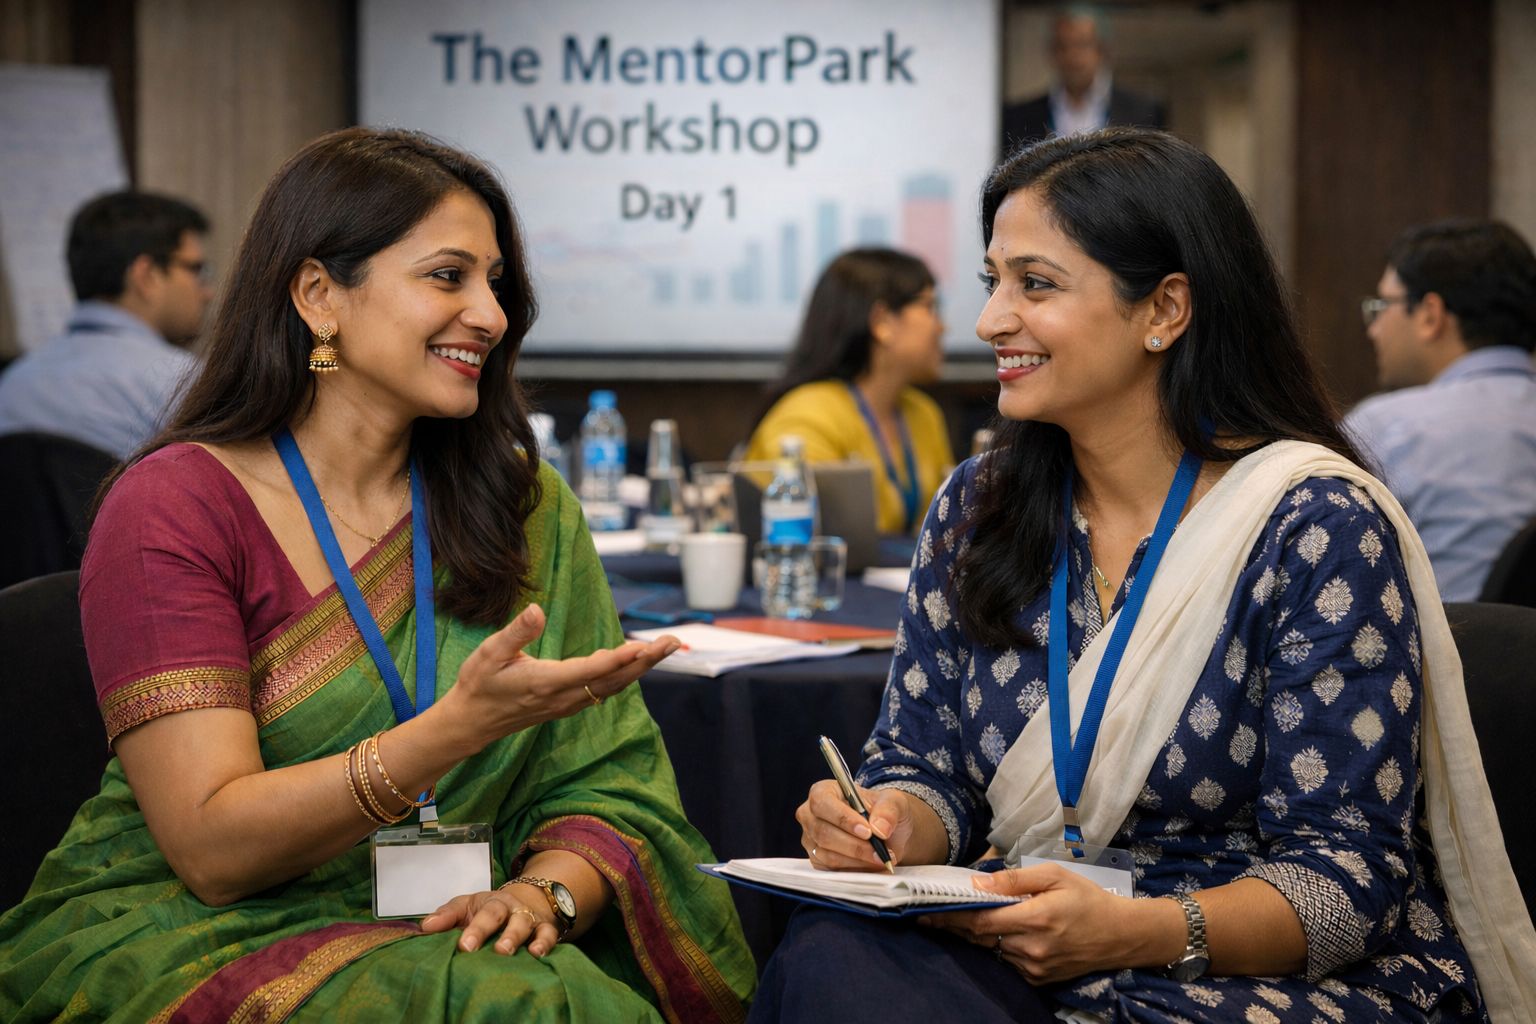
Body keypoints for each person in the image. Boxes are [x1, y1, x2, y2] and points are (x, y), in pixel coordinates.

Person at [753, 129, 1536, 1023]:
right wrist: (888, 822)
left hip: (1240, 972)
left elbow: (1343, 885)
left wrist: (1136, 931)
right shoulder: (980, 507)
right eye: (992, 281)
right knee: (831, 956)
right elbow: (925, 768)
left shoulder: (1314, 527)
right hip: (1020, 933)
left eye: (1035, 284)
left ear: (1165, 308)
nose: (990, 321)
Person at [0, 128, 754, 1022]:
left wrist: (541, 896)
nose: (491, 315)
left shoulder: (521, 506)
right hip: (196, 930)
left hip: (462, 924)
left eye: (496, 283)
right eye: (448, 276)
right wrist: (448, 734)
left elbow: (609, 786)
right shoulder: (174, 507)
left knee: (535, 994)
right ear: (319, 295)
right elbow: (211, 851)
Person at [1343, 220, 1536, 602]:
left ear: (1430, 315)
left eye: (1382, 305)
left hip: (1444, 639)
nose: (1373, 329)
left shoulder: (1384, 428)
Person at [745, 248, 955, 536]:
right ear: (882, 322)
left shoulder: (923, 413)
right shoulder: (807, 416)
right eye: (930, 307)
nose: (942, 327)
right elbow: (812, 537)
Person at [0, 191, 211, 459]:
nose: (208, 292)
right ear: (146, 275)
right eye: (196, 269)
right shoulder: (182, 382)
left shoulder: (13, 384)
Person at [999, 6, 1165, 155]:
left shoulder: (1144, 112)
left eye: (1082, 44)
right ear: (1051, 53)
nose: (1072, 56)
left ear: (1103, 50)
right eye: (1063, 46)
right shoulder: (1017, 117)